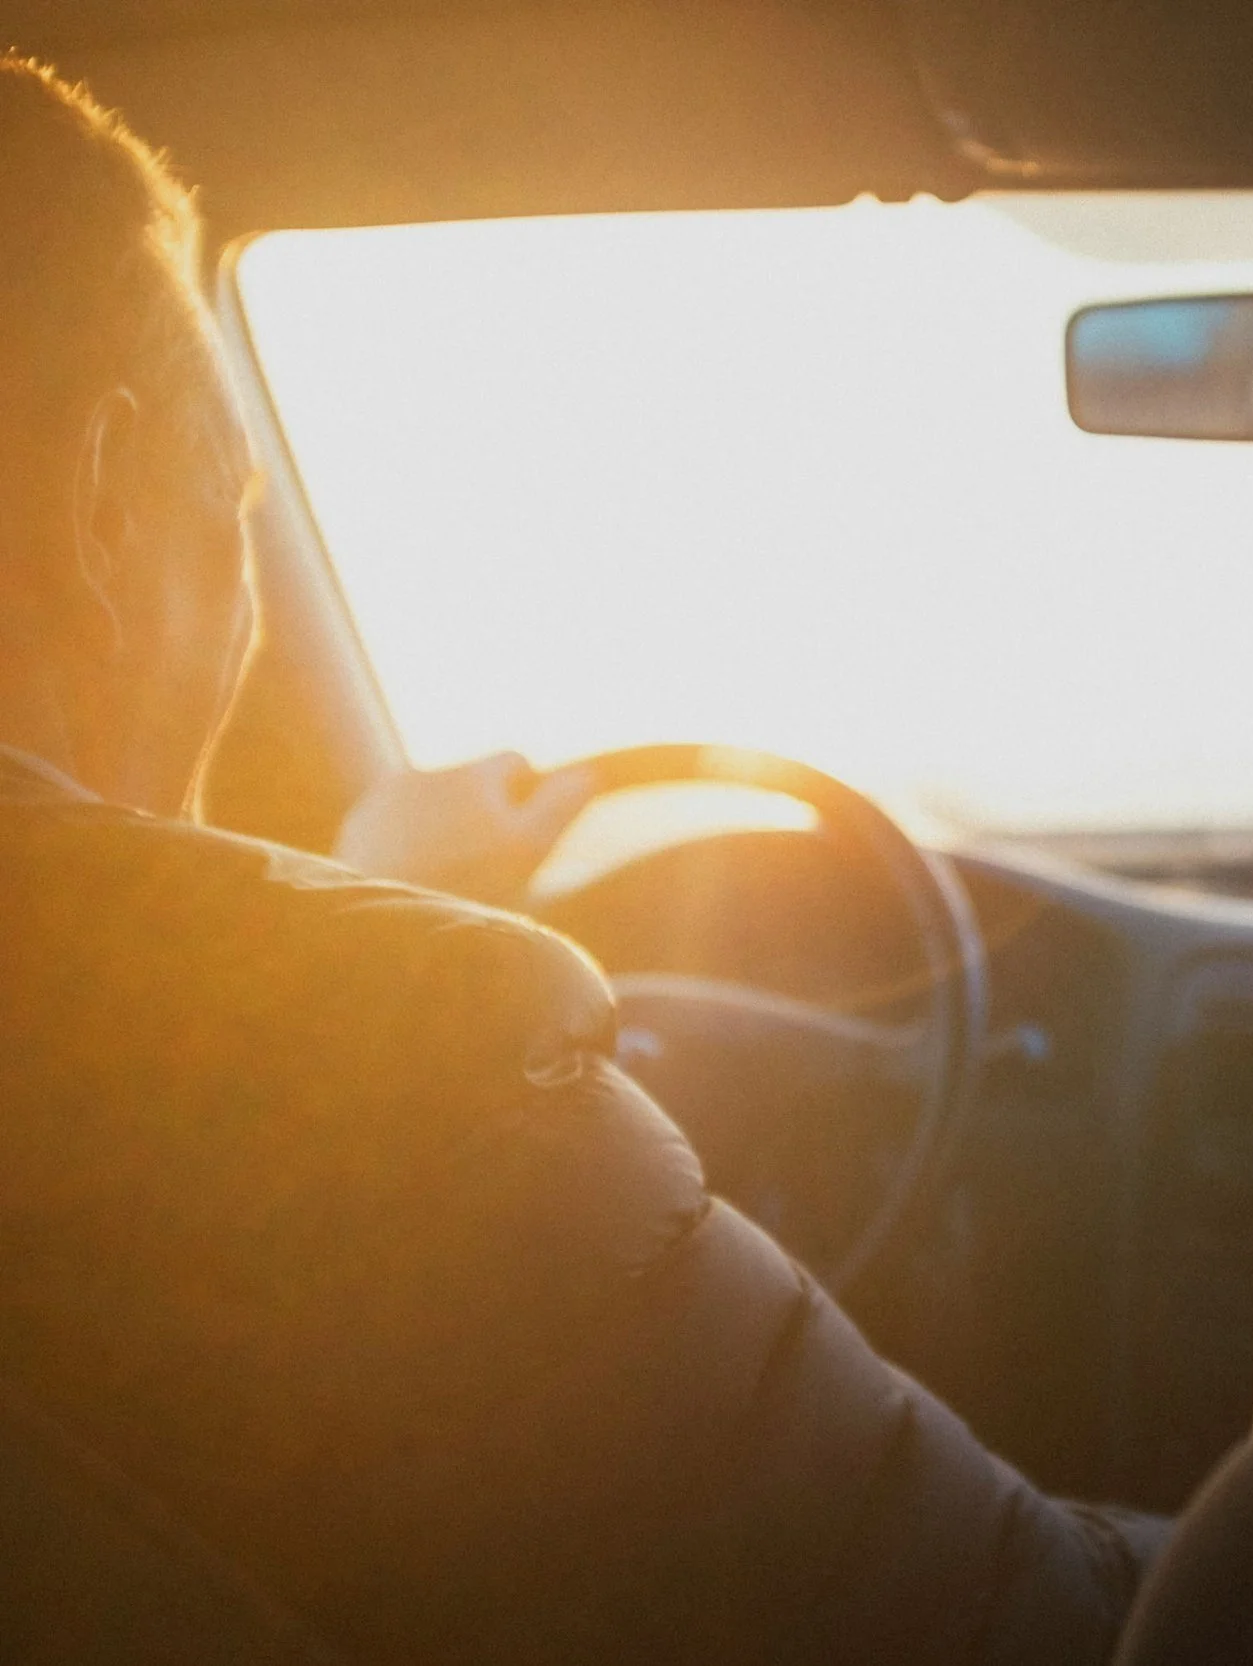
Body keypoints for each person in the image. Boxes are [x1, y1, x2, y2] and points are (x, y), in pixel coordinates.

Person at [0, 55, 1152, 1663]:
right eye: (232, 509)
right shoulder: (409, 1076)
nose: (246, 610)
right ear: (107, 516)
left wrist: (365, 893)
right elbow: (1045, 1631)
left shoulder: (249, 1042)